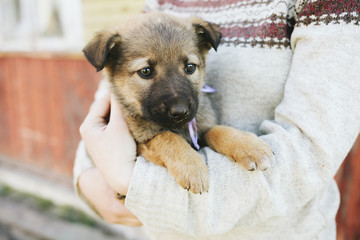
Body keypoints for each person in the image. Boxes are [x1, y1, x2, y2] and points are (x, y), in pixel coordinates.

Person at [74, 0, 360, 239]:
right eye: (147, 73)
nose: (177, 103)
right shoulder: (156, 9)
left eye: (189, 67)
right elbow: (100, 122)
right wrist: (86, 178)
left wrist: (130, 182)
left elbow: (310, 153)